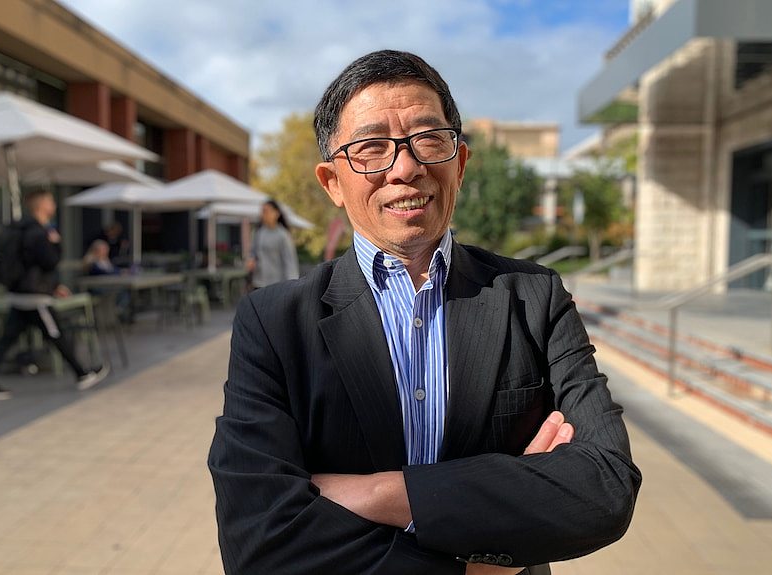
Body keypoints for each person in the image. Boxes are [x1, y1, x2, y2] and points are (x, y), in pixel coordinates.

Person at [208, 50, 641, 574]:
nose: (406, 168)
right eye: (371, 149)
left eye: (428, 141)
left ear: (459, 161)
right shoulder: (274, 324)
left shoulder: (534, 297)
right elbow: (258, 543)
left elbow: (605, 486)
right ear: (332, 183)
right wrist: (476, 563)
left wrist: (386, 493)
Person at [0, 189, 109, 401]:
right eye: (51, 201)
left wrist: (53, 286)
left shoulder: (16, 230)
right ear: (42, 205)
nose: (54, 205)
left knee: (6, 341)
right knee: (56, 334)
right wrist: (55, 242)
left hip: (18, 294)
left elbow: (29, 265)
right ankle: (83, 373)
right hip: (34, 297)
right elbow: (49, 262)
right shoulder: (38, 232)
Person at [246, 199, 299, 288]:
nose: (263, 214)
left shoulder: (283, 235)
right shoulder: (259, 232)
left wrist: (292, 285)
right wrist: (251, 259)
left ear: (276, 213)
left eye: (266, 211)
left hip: (277, 284)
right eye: (262, 211)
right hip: (259, 282)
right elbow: (253, 252)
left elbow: (290, 262)